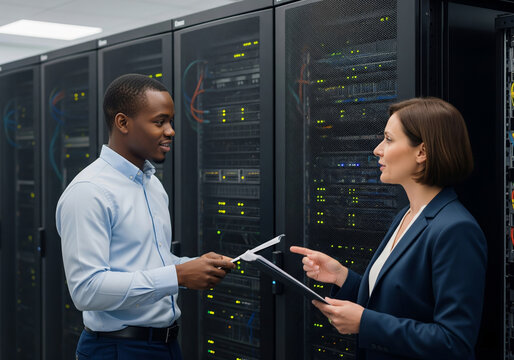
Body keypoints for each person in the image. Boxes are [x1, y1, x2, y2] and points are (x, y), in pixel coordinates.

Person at [291, 97, 487, 360]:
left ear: (422, 152)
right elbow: (396, 302)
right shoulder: (406, 216)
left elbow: (454, 343)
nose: (377, 150)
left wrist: (365, 324)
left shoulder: (456, 229)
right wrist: (342, 277)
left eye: (389, 139)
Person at [56, 73, 235, 360]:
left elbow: (149, 261)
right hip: (116, 349)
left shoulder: (151, 184)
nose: (171, 131)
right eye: (159, 121)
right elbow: (86, 290)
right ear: (123, 123)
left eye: (171, 121)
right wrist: (178, 275)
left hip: (165, 345)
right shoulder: (89, 192)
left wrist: (192, 267)